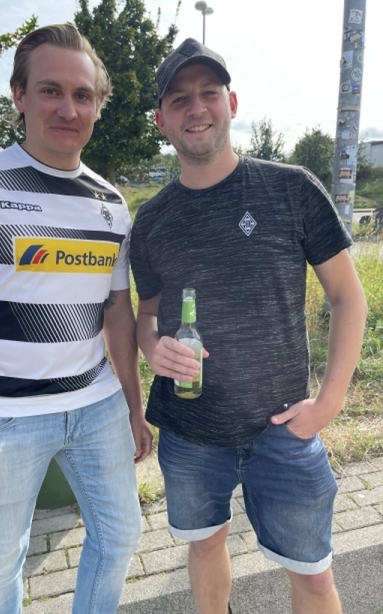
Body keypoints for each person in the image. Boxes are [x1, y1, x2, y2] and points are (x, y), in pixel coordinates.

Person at [0, 23, 153, 614]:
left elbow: (117, 314)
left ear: (97, 106)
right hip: (3, 417)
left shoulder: (110, 203)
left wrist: (133, 406)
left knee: (121, 535)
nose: (68, 109)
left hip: (96, 405)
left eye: (83, 95)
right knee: (2, 560)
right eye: (51, 90)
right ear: (20, 95)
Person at [130, 38, 367, 614]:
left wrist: (329, 402)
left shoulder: (292, 189)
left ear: (231, 103)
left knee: (313, 575)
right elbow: (146, 314)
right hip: (190, 432)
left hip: (283, 428)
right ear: (162, 120)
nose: (196, 108)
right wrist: (152, 347)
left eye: (208, 93)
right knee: (206, 545)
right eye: (179, 99)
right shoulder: (153, 219)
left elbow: (347, 298)